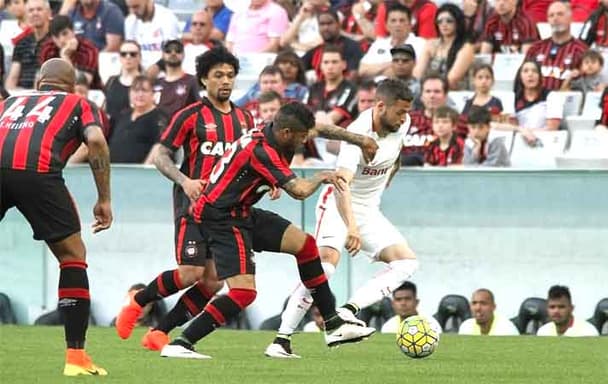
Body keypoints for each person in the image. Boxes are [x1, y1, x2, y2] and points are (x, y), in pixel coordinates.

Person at [116, 47, 379, 352]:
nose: (226, 81)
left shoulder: (244, 118)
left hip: (237, 209)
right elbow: (161, 156)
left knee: (215, 280)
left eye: (230, 75)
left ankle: (160, 333)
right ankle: (141, 304)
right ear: (203, 79)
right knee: (194, 273)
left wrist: (269, 180)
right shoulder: (190, 116)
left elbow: (261, 157)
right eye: (218, 75)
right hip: (196, 207)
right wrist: (185, 180)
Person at [160, 102, 377, 359]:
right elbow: (299, 192)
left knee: (305, 245)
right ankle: (181, 343)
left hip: (241, 211)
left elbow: (319, 129)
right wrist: (321, 176)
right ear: (286, 133)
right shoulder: (262, 151)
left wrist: (361, 140)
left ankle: (332, 324)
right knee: (243, 293)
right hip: (221, 219)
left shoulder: (277, 131)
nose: (305, 140)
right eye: (301, 137)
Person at [265, 79, 418, 359]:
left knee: (406, 262)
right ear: (380, 106)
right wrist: (352, 228)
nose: (404, 118)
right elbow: (341, 184)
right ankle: (281, 339)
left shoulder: (402, 124)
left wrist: (389, 178)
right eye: (399, 112)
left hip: (369, 209)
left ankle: (347, 312)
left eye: (407, 112)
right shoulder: (357, 134)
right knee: (324, 268)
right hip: (337, 205)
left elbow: (396, 154)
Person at [0, 58, 111, 376]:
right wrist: (104, 198)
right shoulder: (80, 102)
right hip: (37, 172)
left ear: (38, 83)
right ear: (72, 85)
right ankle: (76, 358)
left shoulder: (11, 102)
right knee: (73, 256)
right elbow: (97, 141)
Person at [492, 60, 562, 146]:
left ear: (540, 76)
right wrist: (522, 131)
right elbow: (512, 127)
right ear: (520, 76)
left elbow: (552, 129)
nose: (530, 74)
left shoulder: (552, 96)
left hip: (544, 142)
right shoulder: (514, 98)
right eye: (526, 71)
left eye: (534, 71)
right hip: (519, 141)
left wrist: (527, 132)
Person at [403, 73, 467, 166]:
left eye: (437, 91)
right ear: (421, 96)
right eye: (428, 91)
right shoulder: (406, 120)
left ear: (445, 95)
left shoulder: (459, 122)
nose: (432, 96)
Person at [525, 1, 588, 91]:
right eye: (551, 15)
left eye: (560, 14)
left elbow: (586, 84)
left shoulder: (581, 51)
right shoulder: (535, 49)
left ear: (570, 18)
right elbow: (521, 79)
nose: (555, 18)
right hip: (537, 102)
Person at [413, 3, 475, 90]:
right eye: (440, 21)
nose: (444, 24)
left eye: (449, 21)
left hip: (455, 94)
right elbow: (417, 74)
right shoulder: (431, 44)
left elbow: (452, 79)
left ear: (458, 22)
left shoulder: (466, 47)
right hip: (429, 92)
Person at [358, 3, 427, 78]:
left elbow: (417, 74)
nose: (397, 24)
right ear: (386, 25)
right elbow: (362, 70)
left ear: (410, 24)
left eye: (402, 20)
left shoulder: (421, 44)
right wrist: (390, 64)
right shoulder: (379, 43)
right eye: (393, 21)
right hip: (376, 87)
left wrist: (377, 70)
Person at [108, 75, 167, 164]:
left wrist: (144, 169)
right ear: (129, 93)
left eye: (144, 90)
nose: (140, 94)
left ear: (153, 94)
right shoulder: (122, 115)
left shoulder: (159, 117)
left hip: (141, 173)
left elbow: (159, 146)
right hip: (114, 170)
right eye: (136, 90)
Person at [39, 15, 101, 89]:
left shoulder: (89, 50)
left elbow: (82, 83)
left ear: (73, 31)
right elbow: (43, 80)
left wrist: (65, 56)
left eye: (65, 34)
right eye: (56, 37)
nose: (61, 40)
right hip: (55, 92)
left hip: (88, 92)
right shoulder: (48, 49)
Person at [301, 9, 364, 81]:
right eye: (322, 24)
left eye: (329, 23)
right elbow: (298, 66)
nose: (326, 28)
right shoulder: (317, 50)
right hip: (319, 89)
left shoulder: (352, 46)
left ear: (338, 24)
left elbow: (353, 75)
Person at [5, 0, 51, 90]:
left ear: (49, 13)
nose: (35, 13)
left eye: (39, 9)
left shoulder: (55, 41)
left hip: (47, 93)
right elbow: (12, 79)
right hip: (23, 94)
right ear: (27, 15)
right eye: (31, 10)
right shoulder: (21, 43)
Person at [124, 0, 181, 68]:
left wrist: (156, 67)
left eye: (136, 6)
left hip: (164, 70)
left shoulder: (167, 18)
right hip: (139, 71)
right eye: (129, 7)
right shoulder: (130, 21)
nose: (132, 11)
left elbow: (172, 51)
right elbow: (130, 50)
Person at [152, 40, 200, 118]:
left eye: (178, 50)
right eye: (168, 51)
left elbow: (199, 109)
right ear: (163, 55)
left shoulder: (192, 81)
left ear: (183, 54)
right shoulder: (156, 83)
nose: (173, 53)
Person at [58, 0, 125, 52]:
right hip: (76, 62)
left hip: (102, 63)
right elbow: (58, 33)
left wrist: (91, 61)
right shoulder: (72, 12)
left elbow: (113, 47)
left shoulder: (111, 11)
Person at [225, 0, 289, 54]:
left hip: (262, 61)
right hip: (236, 60)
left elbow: (274, 45)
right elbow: (229, 40)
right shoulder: (239, 11)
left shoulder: (276, 11)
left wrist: (252, 59)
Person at [103, 40, 142, 125]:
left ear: (139, 57)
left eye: (133, 54)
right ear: (120, 57)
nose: (128, 57)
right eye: (124, 54)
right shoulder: (111, 81)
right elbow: (105, 107)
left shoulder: (145, 83)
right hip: (111, 132)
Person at [373, 0, 437, 40]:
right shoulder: (385, 6)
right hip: (389, 52)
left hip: (416, 54)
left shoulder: (427, 7)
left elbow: (426, 44)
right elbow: (380, 39)